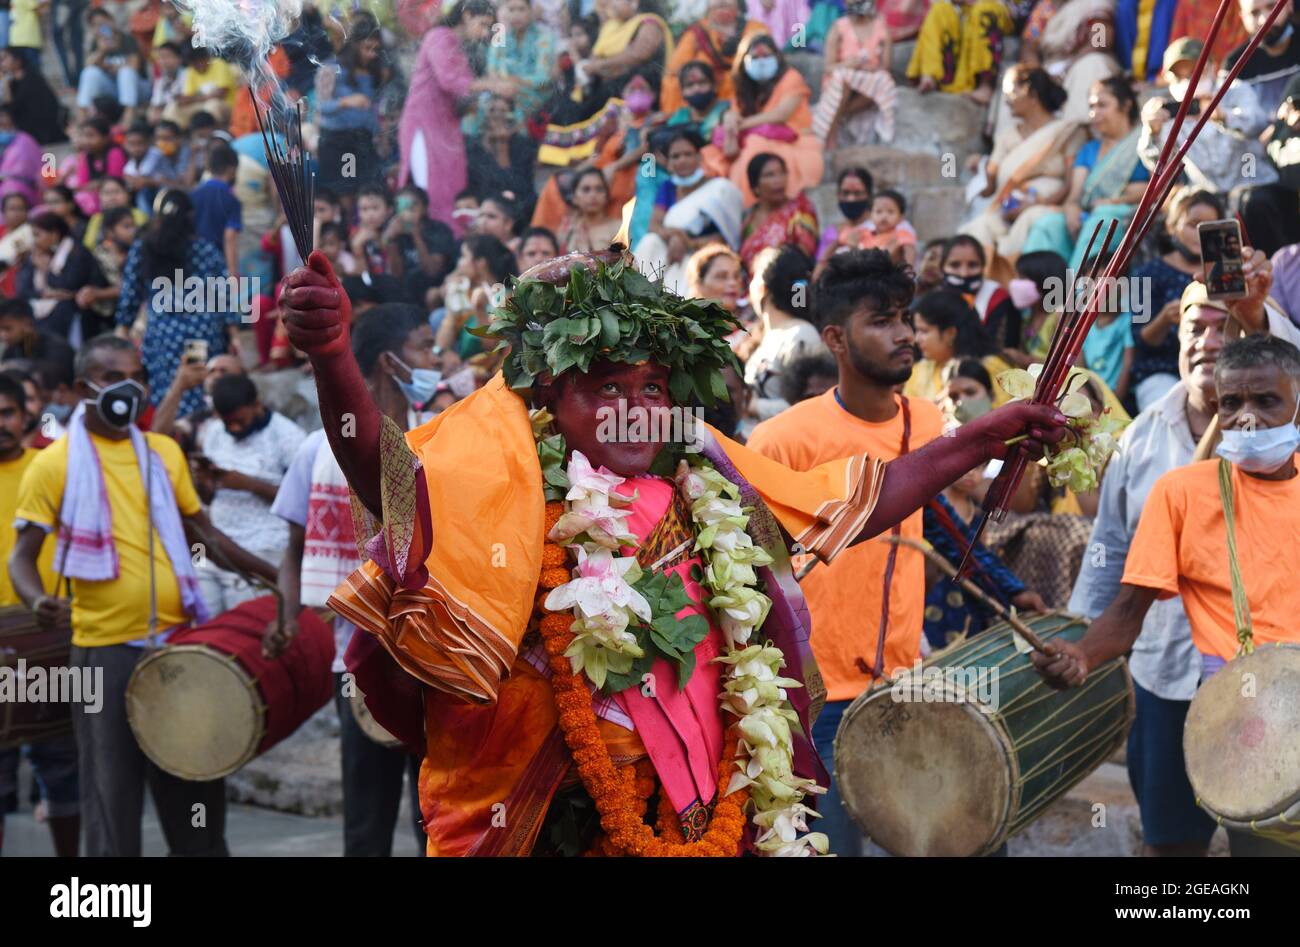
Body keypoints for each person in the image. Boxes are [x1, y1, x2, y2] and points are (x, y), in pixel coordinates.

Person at [277, 237, 1068, 858]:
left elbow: (853, 502)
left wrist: (979, 439)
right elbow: (387, 476)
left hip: (698, 819)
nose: (633, 411)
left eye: (651, 388)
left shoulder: (707, 477)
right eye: (607, 387)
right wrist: (332, 356)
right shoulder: (506, 478)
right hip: (541, 815)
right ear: (552, 394)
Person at [10, 335, 277, 857]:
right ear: (76, 389)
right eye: (112, 378)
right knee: (113, 804)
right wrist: (36, 598)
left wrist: (279, 580)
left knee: (193, 794)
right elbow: (22, 555)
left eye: (137, 377)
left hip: (177, 648)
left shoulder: (162, 452)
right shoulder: (53, 464)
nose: (128, 388)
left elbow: (208, 537)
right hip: (102, 654)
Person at [1037, 333, 1300, 857]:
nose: (1246, 417)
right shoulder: (1182, 493)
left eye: (1266, 401)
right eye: (1231, 403)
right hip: (1235, 715)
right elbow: (1129, 608)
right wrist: (1084, 654)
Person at [745, 249, 944, 856]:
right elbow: (750, 573)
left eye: (904, 318)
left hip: (902, 688)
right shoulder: (780, 439)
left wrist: (1012, 591)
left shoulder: (931, 422)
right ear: (835, 337)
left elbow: (946, 525)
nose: (904, 334)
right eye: (881, 321)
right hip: (812, 699)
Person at [265, 306, 433, 856]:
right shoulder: (318, 450)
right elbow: (294, 548)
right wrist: (289, 615)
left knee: (435, 817)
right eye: (426, 347)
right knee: (366, 821)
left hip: (434, 658)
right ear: (392, 361)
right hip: (354, 661)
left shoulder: (436, 441)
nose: (438, 360)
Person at [0, 373, 76, 857]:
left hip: (49, 638)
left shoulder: (52, 468)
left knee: (64, 770)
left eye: (6, 412)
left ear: (26, 414)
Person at [115, 189, 242, 419]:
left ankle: (170, 437)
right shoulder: (205, 250)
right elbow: (225, 294)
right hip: (202, 333)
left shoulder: (143, 249)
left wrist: (123, 327)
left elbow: (130, 294)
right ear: (190, 216)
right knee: (199, 385)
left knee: (168, 390)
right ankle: (198, 435)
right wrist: (233, 332)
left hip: (163, 336)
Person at [189, 374, 306, 615]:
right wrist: (205, 482)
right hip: (216, 547)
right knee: (202, 623)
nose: (233, 428)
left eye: (239, 421)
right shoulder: (213, 432)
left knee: (243, 627)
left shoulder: (288, 437)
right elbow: (208, 499)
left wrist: (250, 485)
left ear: (256, 404)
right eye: (227, 422)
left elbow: (305, 503)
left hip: (262, 551)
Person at [1022, 76, 1150, 272]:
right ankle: (1038, 293)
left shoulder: (1144, 143)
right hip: (1089, 214)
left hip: (1122, 216)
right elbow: (1075, 195)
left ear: (1125, 105)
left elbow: (1155, 189)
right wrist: (1071, 208)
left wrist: (1115, 201)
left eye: (1102, 105)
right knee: (1047, 224)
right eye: (1091, 106)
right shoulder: (1089, 150)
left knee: (1101, 220)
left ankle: (1077, 297)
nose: (1094, 113)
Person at [961, 66, 1083, 259]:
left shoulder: (1067, 132)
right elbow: (989, 187)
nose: (1007, 101)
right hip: (1006, 209)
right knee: (976, 229)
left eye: (1011, 92)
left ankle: (1016, 280)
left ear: (1032, 93)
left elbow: (1071, 183)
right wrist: (980, 170)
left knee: (1030, 219)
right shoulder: (1006, 136)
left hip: (1047, 206)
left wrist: (1036, 203)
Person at [399, 0, 499, 228]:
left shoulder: (456, 44)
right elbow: (450, 80)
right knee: (428, 189)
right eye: (482, 24)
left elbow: (458, 95)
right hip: (425, 126)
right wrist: (492, 84)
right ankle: (428, 239)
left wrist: (471, 103)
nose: (484, 33)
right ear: (467, 16)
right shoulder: (440, 36)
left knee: (451, 186)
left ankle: (447, 242)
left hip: (446, 128)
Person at [1126, 189, 1225, 410]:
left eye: (1210, 226)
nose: (1201, 233)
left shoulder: (1226, 275)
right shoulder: (1147, 274)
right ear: (1172, 227)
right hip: (1162, 373)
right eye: (1193, 224)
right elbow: (1140, 340)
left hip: (1219, 370)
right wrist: (1164, 319)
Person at [717, 32, 824, 204]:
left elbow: (781, 115)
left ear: (777, 57)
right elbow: (734, 114)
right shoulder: (743, 86)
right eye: (755, 57)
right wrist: (730, 121)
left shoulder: (791, 78)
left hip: (795, 142)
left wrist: (743, 125)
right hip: (756, 142)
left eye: (766, 56)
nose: (761, 61)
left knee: (754, 147)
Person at [633, 128, 744, 290]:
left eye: (687, 154)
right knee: (650, 242)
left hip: (703, 252)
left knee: (688, 265)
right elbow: (654, 225)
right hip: (669, 249)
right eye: (676, 156)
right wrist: (675, 237)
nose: (682, 160)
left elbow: (727, 237)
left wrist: (688, 242)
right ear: (669, 163)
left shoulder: (718, 189)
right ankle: (638, 294)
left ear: (699, 157)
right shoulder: (668, 187)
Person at [743, 245, 826, 420]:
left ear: (762, 287)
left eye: (753, 277)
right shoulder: (765, 335)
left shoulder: (801, 334)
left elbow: (806, 406)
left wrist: (751, 406)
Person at [1011, 0, 1119, 127]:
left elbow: (1099, 42)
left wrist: (1067, 68)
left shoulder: (1095, 3)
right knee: (1016, 82)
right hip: (1049, 68)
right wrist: (1040, 76)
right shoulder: (1045, 8)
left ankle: (1081, 129)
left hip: (1083, 61)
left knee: (1092, 64)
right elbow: (1028, 46)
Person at [905, 288, 1013, 404]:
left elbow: (1006, 416)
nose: (917, 339)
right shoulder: (920, 371)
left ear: (950, 333)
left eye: (924, 331)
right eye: (917, 331)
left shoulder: (994, 369)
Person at [813, 0, 897, 147]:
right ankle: (830, 134)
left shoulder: (882, 29)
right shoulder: (838, 27)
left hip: (867, 82)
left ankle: (838, 116)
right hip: (841, 81)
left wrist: (870, 68)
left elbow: (886, 68)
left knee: (884, 81)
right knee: (842, 79)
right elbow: (828, 67)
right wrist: (847, 65)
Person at [316, 23, 385, 200]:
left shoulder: (373, 72)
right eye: (367, 48)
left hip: (364, 141)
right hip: (339, 141)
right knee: (345, 192)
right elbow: (321, 106)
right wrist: (346, 102)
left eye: (376, 49)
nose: (372, 54)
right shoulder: (331, 68)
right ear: (354, 46)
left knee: (368, 191)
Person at [660, 0, 768, 114]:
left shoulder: (755, 28)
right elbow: (675, 69)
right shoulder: (698, 32)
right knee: (671, 81)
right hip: (704, 98)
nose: (721, 2)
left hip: (746, 95)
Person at [17, 210, 108, 344]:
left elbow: (68, 286)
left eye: (37, 235)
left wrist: (46, 271)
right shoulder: (36, 255)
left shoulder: (77, 253)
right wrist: (42, 294)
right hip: (42, 306)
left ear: (54, 235)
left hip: (75, 309)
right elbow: (23, 290)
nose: (34, 241)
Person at [467, 0, 555, 136]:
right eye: (511, 10)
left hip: (536, 95)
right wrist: (503, 85)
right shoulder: (500, 38)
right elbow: (492, 70)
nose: (516, 15)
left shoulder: (544, 39)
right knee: (477, 101)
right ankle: (474, 145)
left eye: (521, 9)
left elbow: (543, 78)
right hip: (502, 91)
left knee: (515, 96)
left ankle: (522, 143)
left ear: (531, 12)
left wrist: (514, 82)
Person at [907, 0, 1013, 103]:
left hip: (991, 8)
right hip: (962, 11)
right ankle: (930, 76)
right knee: (939, 9)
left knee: (985, 10)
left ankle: (985, 86)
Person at [737, 152, 818, 274]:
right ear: (755, 186)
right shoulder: (748, 217)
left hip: (791, 286)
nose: (779, 180)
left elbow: (805, 252)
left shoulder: (800, 209)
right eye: (770, 175)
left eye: (782, 173)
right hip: (751, 287)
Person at [939, 234, 1021, 351]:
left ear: (983, 267)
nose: (964, 273)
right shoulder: (933, 300)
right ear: (942, 267)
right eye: (955, 265)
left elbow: (1003, 349)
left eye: (972, 265)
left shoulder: (1000, 299)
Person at [465, 96, 539, 219]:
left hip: (517, 210)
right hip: (483, 209)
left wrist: (502, 146)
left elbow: (518, 188)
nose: (498, 115)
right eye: (493, 110)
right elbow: (476, 185)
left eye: (503, 111)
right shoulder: (473, 146)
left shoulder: (523, 144)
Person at [384, 184, 458, 308]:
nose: (406, 213)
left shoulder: (438, 230)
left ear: (424, 209)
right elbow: (396, 275)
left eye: (412, 208)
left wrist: (416, 235)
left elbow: (432, 271)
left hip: (434, 288)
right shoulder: (397, 232)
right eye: (401, 208)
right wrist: (391, 241)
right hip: (406, 293)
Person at [77, 8, 149, 120]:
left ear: (112, 21)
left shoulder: (127, 39)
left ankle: (128, 116)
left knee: (126, 73)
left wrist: (109, 67)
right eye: (96, 25)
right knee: (90, 73)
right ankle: (83, 115)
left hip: (138, 88)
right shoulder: (97, 43)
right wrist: (102, 51)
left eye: (103, 22)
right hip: (114, 89)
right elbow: (87, 66)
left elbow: (134, 66)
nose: (101, 27)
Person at [189, 143, 242, 280]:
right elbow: (230, 236)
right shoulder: (230, 199)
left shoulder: (193, 194)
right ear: (231, 170)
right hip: (217, 264)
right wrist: (233, 272)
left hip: (193, 261)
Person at [0, 47, 65, 146]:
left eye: (3, 59)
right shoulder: (12, 82)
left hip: (42, 134)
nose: (1, 63)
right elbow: (9, 109)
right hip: (27, 133)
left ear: (17, 60)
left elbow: (14, 109)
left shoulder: (32, 79)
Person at [0, 297, 75, 377]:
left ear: (27, 324)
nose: (2, 335)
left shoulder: (56, 349)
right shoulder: (11, 350)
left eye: (7, 328)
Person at [557, 167, 623, 253]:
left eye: (599, 189)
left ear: (606, 196)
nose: (593, 195)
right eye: (586, 189)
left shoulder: (619, 229)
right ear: (574, 198)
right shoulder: (568, 227)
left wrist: (585, 249)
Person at [855, 189, 917, 267]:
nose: (884, 216)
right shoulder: (864, 233)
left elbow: (909, 250)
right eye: (879, 211)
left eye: (890, 212)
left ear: (901, 217)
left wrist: (908, 269)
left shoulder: (901, 234)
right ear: (870, 215)